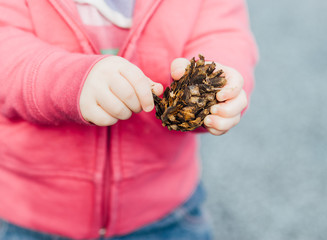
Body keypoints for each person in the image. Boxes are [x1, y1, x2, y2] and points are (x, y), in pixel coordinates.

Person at [0, 0, 258, 239]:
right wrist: (69, 82)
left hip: (163, 210)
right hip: (30, 214)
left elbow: (221, 31)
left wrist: (216, 85)